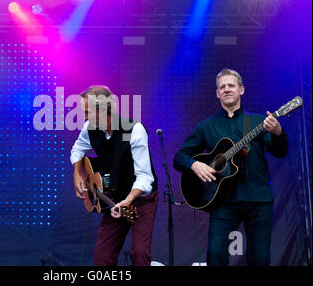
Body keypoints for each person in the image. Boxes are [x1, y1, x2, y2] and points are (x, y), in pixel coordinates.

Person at [173, 68, 288, 266]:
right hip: (222, 201)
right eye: (222, 87)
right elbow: (179, 157)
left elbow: (279, 151)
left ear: (241, 90)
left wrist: (278, 132)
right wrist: (194, 164)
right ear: (217, 93)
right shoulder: (206, 126)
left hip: (257, 199)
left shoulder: (259, 122)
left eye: (231, 86)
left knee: (260, 258)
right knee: (215, 255)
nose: (226, 89)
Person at [70, 85, 159, 266]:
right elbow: (77, 149)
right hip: (115, 198)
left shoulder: (133, 130)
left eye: (87, 111)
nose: (84, 117)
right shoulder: (90, 128)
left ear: (103, 110)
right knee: (102, 256)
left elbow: (145, 177)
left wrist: (129, 200)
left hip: (141, 198)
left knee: (140, 254)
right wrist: (77, 174)